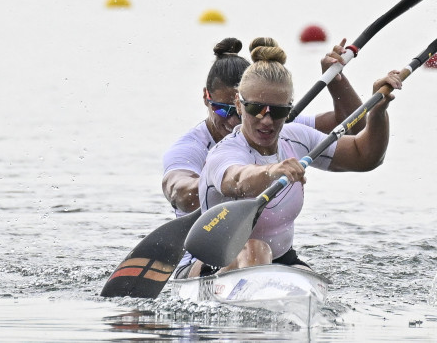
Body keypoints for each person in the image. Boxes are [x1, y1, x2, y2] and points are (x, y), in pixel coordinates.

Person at [187, 38, 401, 278]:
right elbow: (236, 180)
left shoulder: (296, 138)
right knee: (255, 248)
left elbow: (366, 157)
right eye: (256, 109)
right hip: (214, 264)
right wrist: (272, 171)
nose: (267, 120)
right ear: (239, 104)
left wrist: (379, 113)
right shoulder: (225, 152)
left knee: (311, 279)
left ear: (289, 108)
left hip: (281, 259)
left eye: (278, 112)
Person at [162, 37, 363, 215]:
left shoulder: (272, 126)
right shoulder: (190, 148)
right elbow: (181, 194)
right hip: (206, 242)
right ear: (206, 98)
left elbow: (354, 126)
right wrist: (218, 180)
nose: (233, 121)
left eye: (252, 109)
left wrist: (336, 81)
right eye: (223, 110)